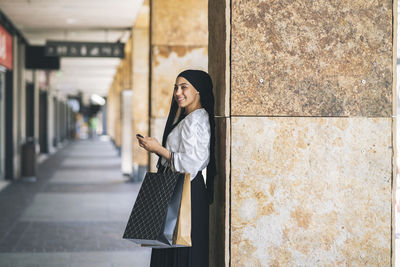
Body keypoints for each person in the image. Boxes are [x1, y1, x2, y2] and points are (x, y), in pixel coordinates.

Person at [136, 69, 216, 267]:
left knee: (180, 251)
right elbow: (179, 158)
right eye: (176, 87)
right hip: (176, 188)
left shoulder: (196, 120)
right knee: (171, 248)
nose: (178, 92)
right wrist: (155, 149)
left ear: (198, 90)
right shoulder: (187, 118)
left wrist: (159, 149)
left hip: (187, 192)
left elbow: (191, 164)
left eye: (184, 87)